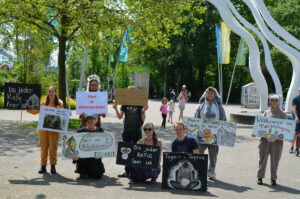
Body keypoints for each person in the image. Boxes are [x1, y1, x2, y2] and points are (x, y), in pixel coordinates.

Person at [113, 86, 149, 177]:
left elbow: (143, 119)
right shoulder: (124, 103)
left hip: (137, 130)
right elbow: (120, 117)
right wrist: (116, 108)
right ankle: (127, 171)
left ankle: (135, 171)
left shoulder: (140, 103)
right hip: (127, 130)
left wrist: (143, 111)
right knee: (126, 151)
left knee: (136, 151)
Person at [27, 86, 63, 174]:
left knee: (53, 148)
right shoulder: (43, 103)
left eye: (52, 91)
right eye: (49, 91)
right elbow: (34, 111)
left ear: (55, 93)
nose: (51, 93)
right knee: (44, 148)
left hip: (54, 130)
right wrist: (26, 107)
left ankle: (53, 166)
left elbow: (63, 115)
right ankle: (43, 166)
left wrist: (60, 109)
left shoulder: (59, 103)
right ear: (48, 93)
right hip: (43, 130)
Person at [252, 95, 287, 186]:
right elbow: (260, 125)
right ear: (270, 102)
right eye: (272, 100)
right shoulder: (266, 112)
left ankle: (273, 179)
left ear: (278, 102)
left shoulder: (283, 114)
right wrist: (256, 131)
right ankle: (260, 177)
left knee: (275, 160)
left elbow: (286, 129)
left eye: (276, 100)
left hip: (277, 142)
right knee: (262, 159)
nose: (274, 102)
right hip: (265, 140)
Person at [194, 86, 226, 181]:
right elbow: (195, 119)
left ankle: (211, 173)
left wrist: (224, 130)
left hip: (214, 135)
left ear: (215, 94)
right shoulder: (200, 106)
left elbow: (223, 120)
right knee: (199, 153)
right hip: (201, 134)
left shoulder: (219, 107)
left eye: (212, 93)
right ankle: (199, 172)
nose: (210, 95)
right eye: (208, 93)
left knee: (213, 155)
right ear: (205, 94)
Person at [73, 115, 105, 179]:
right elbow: (74, 145)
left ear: (95, 121)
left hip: (95, 157)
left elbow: (104, 146)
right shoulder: (80, 131)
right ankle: (82, 171)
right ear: (85, 123)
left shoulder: (100, 130)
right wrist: (74, 157)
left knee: (97, 176)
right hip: (83, 158)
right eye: (88, 122)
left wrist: (100, 155)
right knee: (83, 174)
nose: (90, 123)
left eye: (92, 121)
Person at [292, 88, 300, 156]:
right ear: (298, 91)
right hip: (296, 117)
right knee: (295, 133)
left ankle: (297, 148)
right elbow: (294, 109)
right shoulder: (295, 98)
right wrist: (296, 117)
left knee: (299, 134)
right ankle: (292, 147)